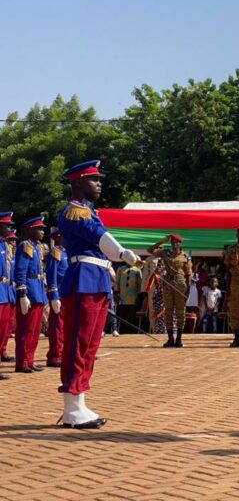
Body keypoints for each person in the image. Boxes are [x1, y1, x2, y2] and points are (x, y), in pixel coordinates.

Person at [57, 159, 140, 429]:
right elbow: (97, 235)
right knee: (78, 343)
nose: (99, 184)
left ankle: (79, 402)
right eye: (94, 179)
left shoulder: (89, 210)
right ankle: (72, 406)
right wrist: (121, 253)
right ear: (79, 182)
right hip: (84, 279)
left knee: (90, 345)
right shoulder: (75, 211)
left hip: (96, 278)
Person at [14, 217, 48, 373]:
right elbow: (21, 270)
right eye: (38, 229)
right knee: (26, 329)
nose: (42, 232)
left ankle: (30, 360)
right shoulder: (25, 246)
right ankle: (22, 362)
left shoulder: (36, 247)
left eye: (42, 229)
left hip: (38, 289)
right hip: (30, 290)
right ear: (29, 230)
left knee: (35, 330)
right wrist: (22, 293)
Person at [151, 234, 192, 348]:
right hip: (168, 285)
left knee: (180, 312)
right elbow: (150, 251)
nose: (174, 244)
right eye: (172, 242)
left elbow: (188, 275)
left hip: (180, 285)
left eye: (176, 242)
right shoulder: (165, 253)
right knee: (168, 311)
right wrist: (162, 241)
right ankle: (170, 339)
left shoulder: (185, 257)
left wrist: (188, 291)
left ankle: (178, 339)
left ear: (180, 243)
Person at [45, 228, 68, 367]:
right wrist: (54, 295)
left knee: (66, 326)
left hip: (68, 293)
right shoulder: (56, 252)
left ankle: (63, 353)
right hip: (59, 293)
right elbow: (52, 274)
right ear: (59, 237)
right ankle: (55, 355)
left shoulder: (67, 252)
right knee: (57, 326)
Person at [0, 212, 16, 375]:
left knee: (4, 328)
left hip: (5, 290)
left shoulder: (4, 245)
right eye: (6, 225)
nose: (9, 229)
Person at [116, 258, 143, 328]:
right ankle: (122, 329)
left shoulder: (137, 270)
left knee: (132, 315)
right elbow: (117, 281)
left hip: (133, 296)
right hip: (122, 296)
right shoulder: (121, 269)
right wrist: (117, 292)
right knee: (122, 315)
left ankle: (131, 330)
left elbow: (140, 284)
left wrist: (139, 295)